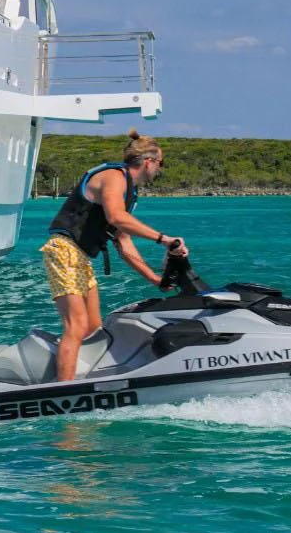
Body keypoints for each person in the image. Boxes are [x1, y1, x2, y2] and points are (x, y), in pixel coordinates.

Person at [42, 129, 187, 382]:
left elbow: (124, 243)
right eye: (161, 164)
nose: (160, 170)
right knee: (75, 327)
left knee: (92, 329)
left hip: (80, 257)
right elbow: (116, 218)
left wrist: (156, 280)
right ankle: (63, 393)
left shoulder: (127, 192)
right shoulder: (114, 177)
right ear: (149, 161)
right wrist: (165, 240)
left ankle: (81, 377)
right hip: (64, 250)